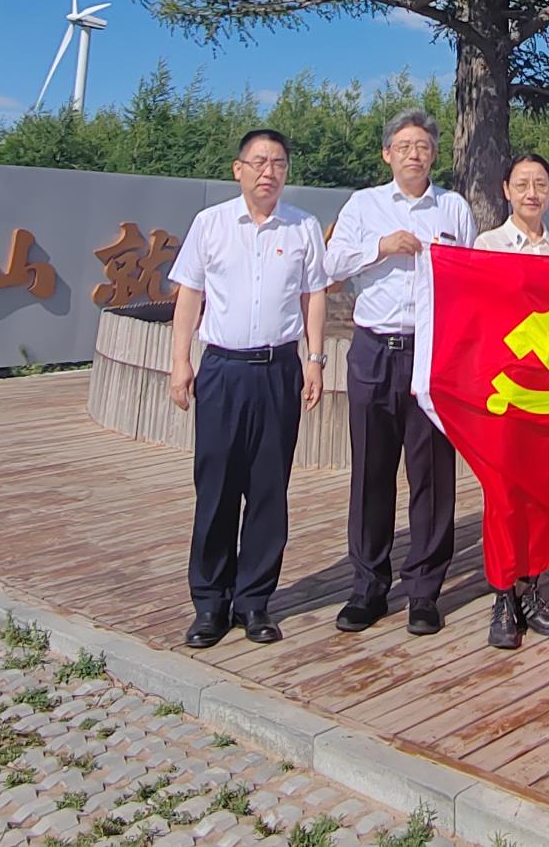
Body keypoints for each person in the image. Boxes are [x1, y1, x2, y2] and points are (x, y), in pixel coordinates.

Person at [167, 128, 330, 648]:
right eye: (259, 161)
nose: (269, 172)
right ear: (237, 169)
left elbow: (315, 296)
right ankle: (209, 604)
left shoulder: (302, 226)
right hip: (221, 370)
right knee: (215, 488)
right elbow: (189, 294)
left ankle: (254, 602)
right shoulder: (210, 224)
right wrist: (180, 361)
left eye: (278, 162)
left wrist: (315, 359)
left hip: (278, 370)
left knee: (267, 491)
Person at [324, 108, 475, 636]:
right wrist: (380, 247)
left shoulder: (453, 208)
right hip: (373, 350)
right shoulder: (364, 205)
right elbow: (329, 266)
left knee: (432, 474)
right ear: (387, 154)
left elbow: (473, 277)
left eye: (424, 146)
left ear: (436, 154)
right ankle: (368, 587)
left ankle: (425, 591)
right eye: (404, 145)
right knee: (371, 471)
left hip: (433, 352)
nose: (415, 153)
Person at [460, 152, 549, 651]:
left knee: (541, 492)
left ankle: (533, 589)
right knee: (502, 496)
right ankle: (503, 593)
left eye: (541, 184)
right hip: (504, 389)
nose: (533, 193)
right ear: (506, 190)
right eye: (523, 184)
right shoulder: (488, 245)